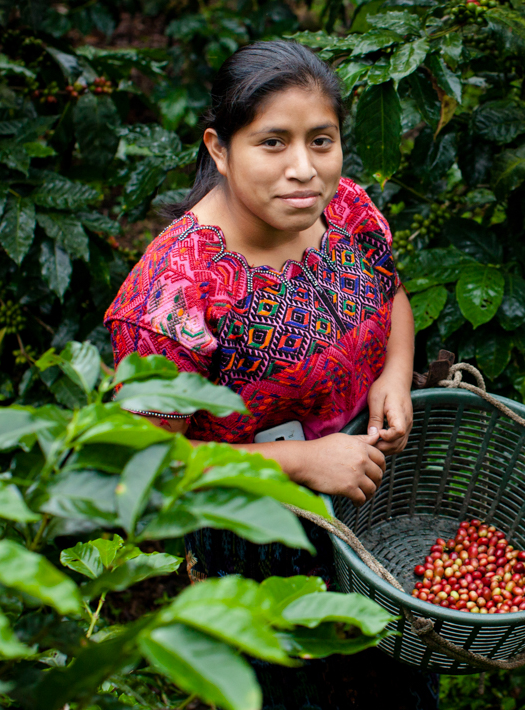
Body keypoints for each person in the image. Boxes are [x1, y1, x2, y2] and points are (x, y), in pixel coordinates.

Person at [105, 39, 437, 709]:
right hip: (259, 540)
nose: (303, 170)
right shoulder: (172, 300)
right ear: (220, 149)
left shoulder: (347, 209)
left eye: (321, 141)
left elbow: (391, 297)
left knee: (395, 671)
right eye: (272, 143)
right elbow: (144, 464)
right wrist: (304, 463)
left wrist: (394, 376)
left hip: (371, 497)